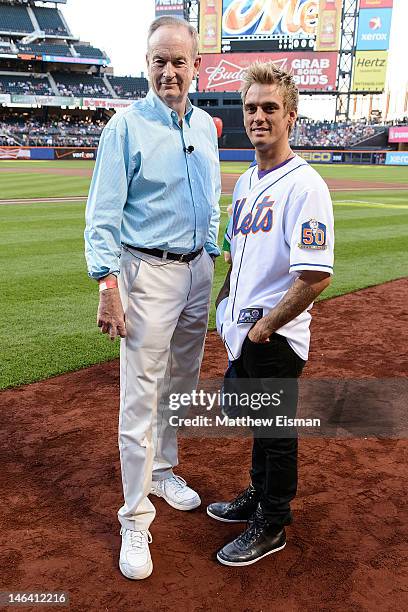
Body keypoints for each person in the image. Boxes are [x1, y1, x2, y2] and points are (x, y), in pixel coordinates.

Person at [84, 16, 221, 580]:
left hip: (196, 275)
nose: (170, 71)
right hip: (148, 273)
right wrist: (107, 283)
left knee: (181, 382)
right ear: (147, 64)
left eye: (179, 61)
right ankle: (134, 518)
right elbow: (102, 215)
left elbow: (210, 198)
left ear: (194, 65)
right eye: (159, 61)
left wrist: (213, 251)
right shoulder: (124, 128)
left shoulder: (207, 127)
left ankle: (163, 471)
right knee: (140, 394)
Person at [207, 61, 334, 566]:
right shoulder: (244, 182)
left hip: (273, 337)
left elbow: (316, 276)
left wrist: (266, 326)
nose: (258, 116)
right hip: (243, 331)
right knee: (255, 419)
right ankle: (258, 495)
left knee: (277, 431)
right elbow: (239, 255)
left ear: (291, 116)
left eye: (269, 108)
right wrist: (224, 301)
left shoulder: (306, 186)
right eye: (251, 107)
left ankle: (273, 520)